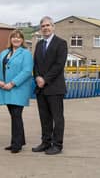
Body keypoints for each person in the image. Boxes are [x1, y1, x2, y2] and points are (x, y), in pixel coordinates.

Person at [32, 16, 68, 155]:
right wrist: (37, 77)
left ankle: (57, 145)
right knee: (44, 117)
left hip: (55, 87)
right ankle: (46, 142)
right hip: (41, 88)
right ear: (40, 29)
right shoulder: (39, 44)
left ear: (53, 27)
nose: (45, 28)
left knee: (57, 118)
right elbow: (35, 65)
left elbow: (59, 65)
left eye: (48, 25)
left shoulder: (61, 43)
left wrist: (45, 79)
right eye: (43, 26)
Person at [0, 30, 34, 153]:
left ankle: (16, 144)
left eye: (19, 37)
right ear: (10, 39)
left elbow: (27, 71)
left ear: (22, 40)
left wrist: (12, 83)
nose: (16, 39)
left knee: (16, 115)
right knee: (14, 116)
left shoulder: (26, 53)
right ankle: (18, 141)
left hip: (18, 88)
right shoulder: (4, 53)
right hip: (5, 88)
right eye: (14, 37)